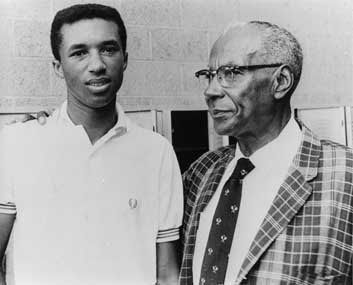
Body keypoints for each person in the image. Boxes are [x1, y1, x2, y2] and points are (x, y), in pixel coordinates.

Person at [0, 4, 183, 285]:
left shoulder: (156, 152)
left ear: (124, 59)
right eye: (79, 52)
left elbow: (167, 273)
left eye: (108, 49)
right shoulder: (16, 143)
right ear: (58, 67)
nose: (97, 65)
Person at [180, 21, 353, 285]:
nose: (211, 91)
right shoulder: (201, 173)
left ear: (281, 82)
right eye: (210, 74)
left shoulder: (345, 178)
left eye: (231, 72)